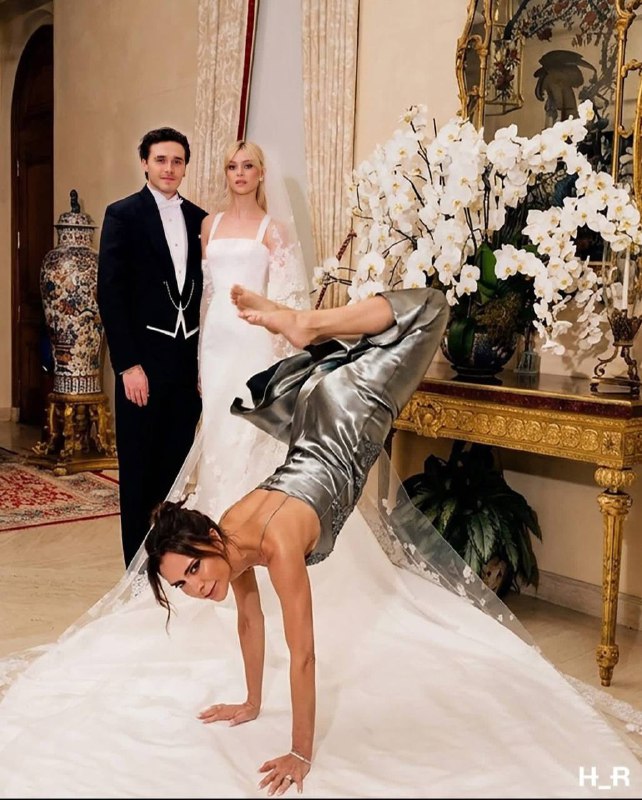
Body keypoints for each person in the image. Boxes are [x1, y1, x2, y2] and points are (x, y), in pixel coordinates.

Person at [143, 286, 642, 798]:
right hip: (316, 418)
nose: (195, 587)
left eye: (193, 570)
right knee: (410, 321)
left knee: (433, 308)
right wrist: (251, 703)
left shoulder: (277, 544)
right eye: (182, 584)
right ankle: (311, 328)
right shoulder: (231, 529)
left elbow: (303, 654)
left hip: (347, 417)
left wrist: (299, 752)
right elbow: (249, 619)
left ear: (208, 539)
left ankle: (311, 324)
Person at [180, 139, 311, 525]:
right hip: (217, 342)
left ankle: (254, 519)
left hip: (256, 340)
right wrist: (200, 358)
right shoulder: (209, 225)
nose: (240, 173)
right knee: (218, 425)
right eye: (233, 166)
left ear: (261, 173)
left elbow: (287, 298)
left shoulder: (275, 230)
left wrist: (281, 361)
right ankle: (218, 514)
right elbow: (207, 296)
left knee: (251, 428)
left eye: (248, 166)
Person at [97, 127, 208, 566]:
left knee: (175, 473)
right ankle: (136, 572)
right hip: (141, 366)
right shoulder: (123, 215)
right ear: (144, 162)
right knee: (139, 472)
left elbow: (207, 294)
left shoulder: (200, 220)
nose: (169, 168)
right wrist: (128, 365)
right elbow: (110, 293)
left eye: (177, 161)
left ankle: (170, 564)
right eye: (161, 159)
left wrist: (203, 364)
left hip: (185, 367)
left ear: (185, 167)